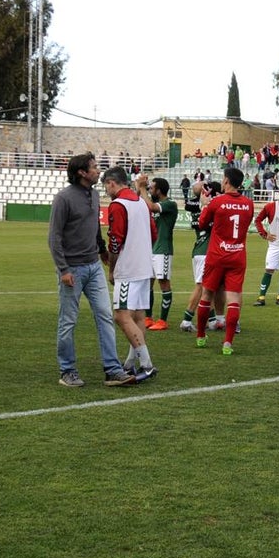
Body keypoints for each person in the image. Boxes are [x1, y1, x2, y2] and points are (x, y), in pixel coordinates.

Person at [48, 154, 137, 388]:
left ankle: (112, 369)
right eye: (94, 167)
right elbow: (54, 237)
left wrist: (102, 250)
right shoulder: (63, 199)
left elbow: (95, 226)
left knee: (105, 316)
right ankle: (67, 370)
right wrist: (63, 269)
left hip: (93, 266)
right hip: (72, 270)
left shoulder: (95, 195)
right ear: (81, 173)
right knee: (68, 321)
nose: (98, 171)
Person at [102, 166, 159, 383]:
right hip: (145, 266)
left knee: (121, 315)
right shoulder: (141, 203)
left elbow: (115, 240)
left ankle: (147, 364)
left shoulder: (118, 205)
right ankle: (129, 363)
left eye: (106, 185)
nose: (106, 190)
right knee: (138, 316)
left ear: (112, 183)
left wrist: (112, 268)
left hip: (129, 268)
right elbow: (153, 234)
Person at [195, 167, 255, 355]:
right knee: (234, 300)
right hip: (237, 256)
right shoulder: (249, 203)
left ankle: (200, 336)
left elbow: (202, 224)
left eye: (223, 179)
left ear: (227, 181)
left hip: (217, 256)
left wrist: (205, 204)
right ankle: (227, 343)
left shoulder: (217, 202)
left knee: (206, 295)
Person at [179, 180, 226, 333]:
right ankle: (186, 320)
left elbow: (191, 203)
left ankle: (212, 320)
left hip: (200, 249)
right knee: (202, 287)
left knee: (210, 287)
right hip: (206, 251)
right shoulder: (212, 208)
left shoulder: (198, 206)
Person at [135, 175, 178, 331]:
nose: (149, 190)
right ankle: (148, 317)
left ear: (159, 190)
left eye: (151, 188)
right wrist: (139, 188)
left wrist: (141, 188)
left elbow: (152, 207)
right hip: (151, 249)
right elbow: (138, 203)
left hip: (163, 250)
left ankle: (163, 320)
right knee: (148, 284)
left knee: (164, 283)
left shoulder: (170, 204)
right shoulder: (154, 203)